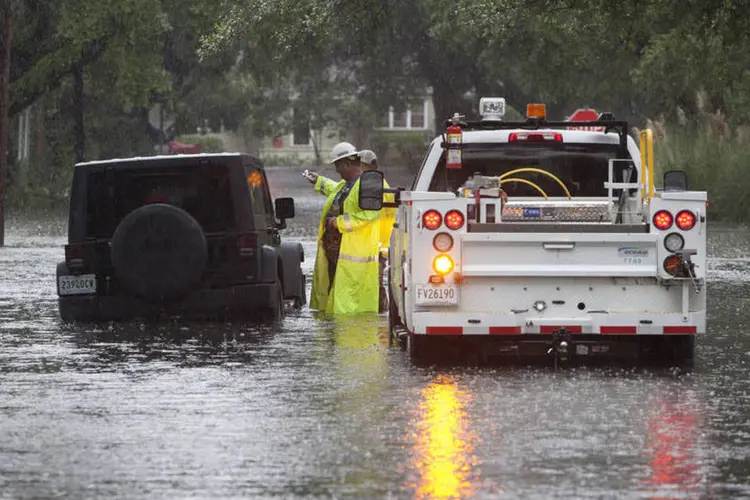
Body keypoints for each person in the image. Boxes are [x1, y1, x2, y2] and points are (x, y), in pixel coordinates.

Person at [304, 142, 382, 314]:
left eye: (338, 166)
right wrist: (319, 181)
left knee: (349, 306)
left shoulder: (367, 184)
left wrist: (336, 223)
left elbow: (369, 215)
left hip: (353, 254)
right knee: (335, 295)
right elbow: (337, 192)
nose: (336, 171)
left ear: (347, 163)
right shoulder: (347, 184)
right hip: (337, 252)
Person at [358, 150, 396, 313]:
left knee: (376, 283)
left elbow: (370, 217)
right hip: (378, 244)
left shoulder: (376, 187)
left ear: (369, 166)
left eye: (362, 166)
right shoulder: (378, 185)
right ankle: (381, 312)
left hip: (378, 245)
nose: (360, 169)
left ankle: (380, 312)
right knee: (375, 283)